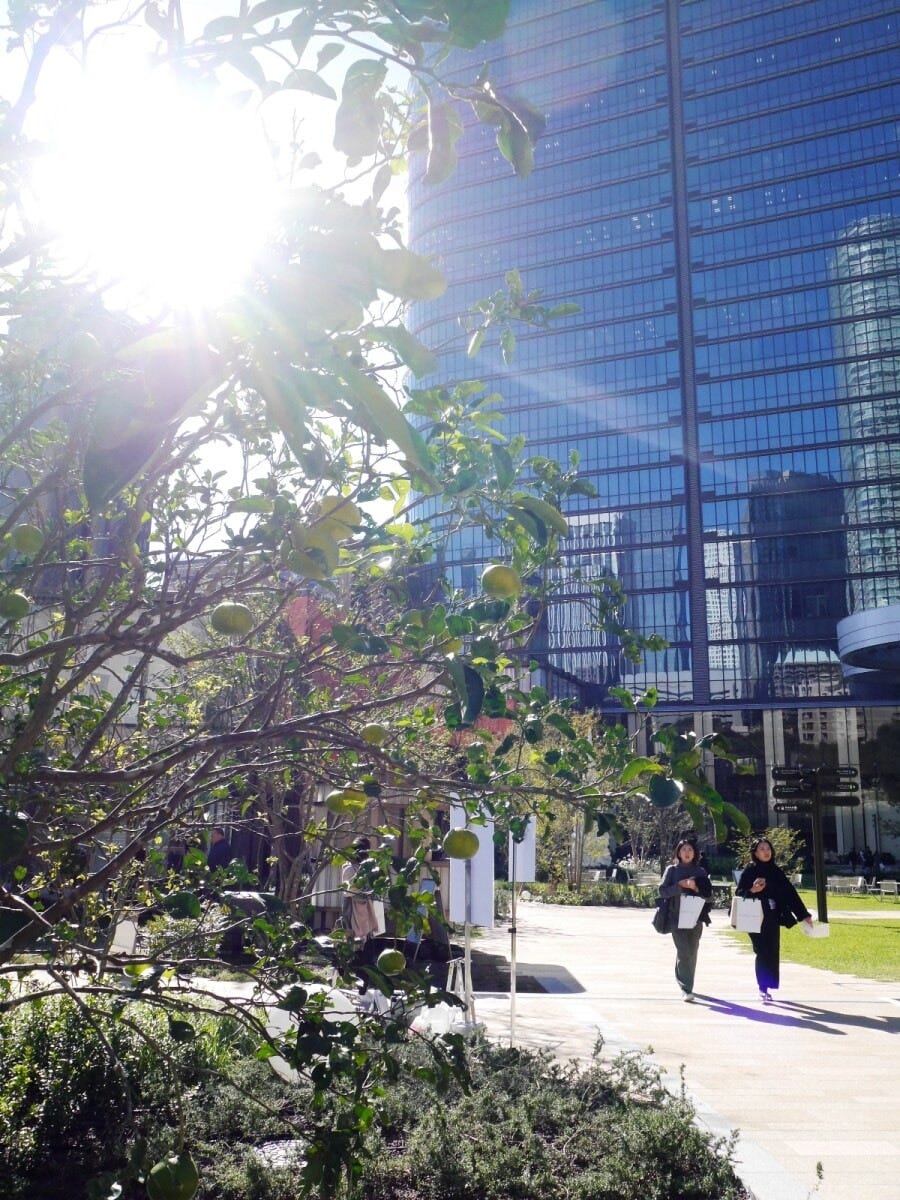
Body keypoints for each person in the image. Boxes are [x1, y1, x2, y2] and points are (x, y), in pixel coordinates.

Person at [735, 836, 813, 1003]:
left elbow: (790, 894)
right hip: (755, 916)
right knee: (762, 950)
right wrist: (753, 890)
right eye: (762, 849)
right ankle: (762, 988)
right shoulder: (750, 870)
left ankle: (768, 985)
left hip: (772, 916)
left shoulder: (775, 871)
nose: (766, 852)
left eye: (768, 849)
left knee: (772, 951)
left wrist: (804, 915)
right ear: (755, 853)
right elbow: (739, 893)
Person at [658, 838, 713, 1002]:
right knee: (683, 951)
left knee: (692, 950)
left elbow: (709, 897)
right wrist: (680, 886)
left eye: (690, 850)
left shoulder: (701, 872)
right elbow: (662, 892)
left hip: (696, 918)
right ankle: (686, 988)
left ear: (694, 853)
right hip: (676, 917)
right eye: (684, 850)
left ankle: (687, 981)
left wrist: (695, 887)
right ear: (678, 853)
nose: (687, 853)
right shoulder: (672, 871)